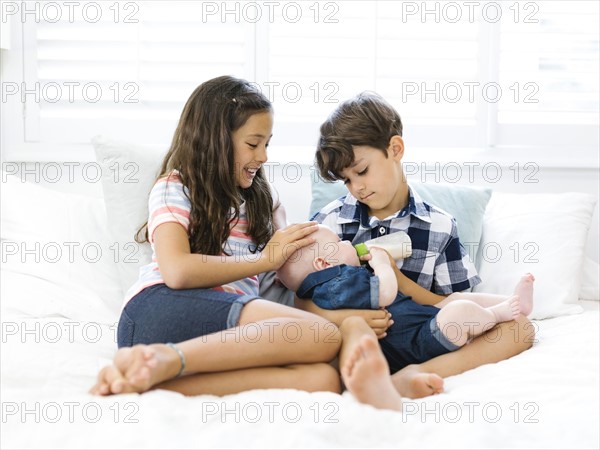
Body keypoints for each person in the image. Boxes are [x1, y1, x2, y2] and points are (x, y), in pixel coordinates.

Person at [90, 75, 351, 397]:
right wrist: (264, 258)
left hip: (220, 332)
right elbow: (177, 271)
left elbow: (282, 285)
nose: (264, 156)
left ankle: (148, 379)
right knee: (321, 335)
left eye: (267, 144)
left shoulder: (263, 203)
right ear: (215, 140)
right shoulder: (177, 187)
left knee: (323, 380)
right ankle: (167, 357)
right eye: (253, 144)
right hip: (158, 310)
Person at [297, 91, 536, 400]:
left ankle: (415, 375)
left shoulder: (439, 225)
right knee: (352, 328)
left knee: (521, 329)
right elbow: (299, 303)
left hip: (426, 339)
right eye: (346, 180)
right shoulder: (329, 225)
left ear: (395, 149)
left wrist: (399, 282)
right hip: (359, 344)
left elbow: (451, 303)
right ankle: (376, 377)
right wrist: (346, 320)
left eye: (362, 171)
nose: (357, 187)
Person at [277, 224, 535, 379]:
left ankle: (512, 302)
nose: (347, 242)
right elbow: (387, 293)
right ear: (324, 263)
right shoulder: (336, 282)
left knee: (455, 300)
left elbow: (417, 298)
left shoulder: (338, 280)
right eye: (339, 242)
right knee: (459, 309)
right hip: (418, 338)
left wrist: (389, 268)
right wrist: (382, 266)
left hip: (420, 318)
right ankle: (498, 313)